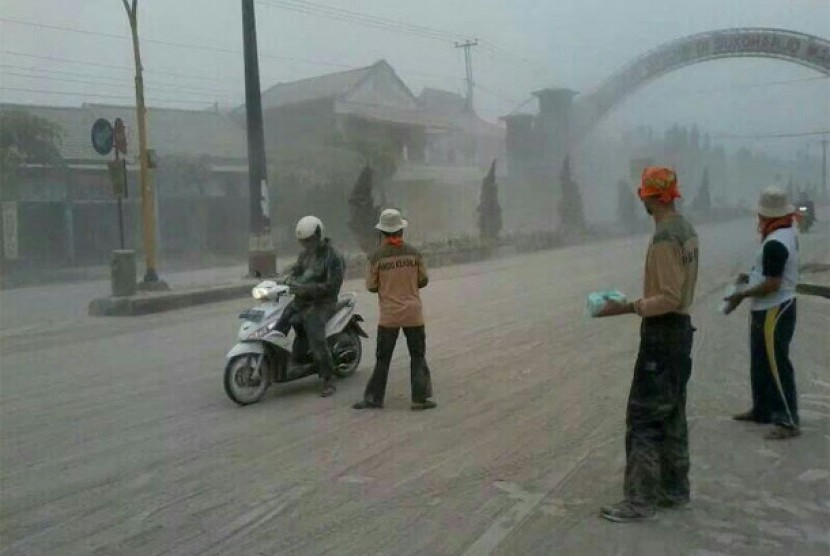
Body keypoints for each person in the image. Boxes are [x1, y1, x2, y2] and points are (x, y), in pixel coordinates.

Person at [596, 166, 699, 522]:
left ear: (652, 197)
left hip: (664, 332)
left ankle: (639, 501)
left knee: (643, 416)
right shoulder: (686, 230)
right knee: (671, 412)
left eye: (643, 194)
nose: (641, 200)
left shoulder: (665, 239)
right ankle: (674, 490)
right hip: (680, 331)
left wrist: (627, 306)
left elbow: (668, 297)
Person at [723, 187, 800, 440]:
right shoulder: (782, 232)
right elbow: (766, 273)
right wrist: (748, 280)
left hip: (774, 308)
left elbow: (773, 283)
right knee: (760, 362)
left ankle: (788, 418)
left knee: (776, 363)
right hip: (765, 307)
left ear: (766, 216)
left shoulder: (776, 241)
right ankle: (763, 409)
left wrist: (741, 294)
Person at [353, 209, 436, 411]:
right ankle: (419, 399)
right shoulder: (414, 253)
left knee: (383, 358)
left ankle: (374, 398)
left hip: (389, 316)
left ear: (382, 232)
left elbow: (371, 286)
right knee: (417, 356)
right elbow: (423, 280)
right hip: (413, 314)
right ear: (401, 230)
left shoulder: (376, 257)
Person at [275, 215, 345, 398]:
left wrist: (305, 287)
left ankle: (328, 378)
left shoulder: (333, 256)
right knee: (281, 319)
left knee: (315, 332)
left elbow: (332, 286)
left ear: (319, 235)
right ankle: (281, 361)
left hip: (324, 302)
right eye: (303, 241)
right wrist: (287, 275)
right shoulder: (305, 254)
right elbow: (298, 269)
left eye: (309, 240)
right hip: (303, 299)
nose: (306, 244)